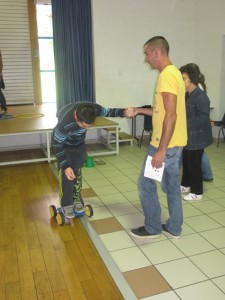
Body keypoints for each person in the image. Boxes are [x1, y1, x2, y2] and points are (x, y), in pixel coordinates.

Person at [126, 36, 187, 239]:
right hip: (175, 142)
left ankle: (153, 227)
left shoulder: (166, 76)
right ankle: (175, 227)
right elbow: (162, 111)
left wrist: (161, 149)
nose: (146, 59)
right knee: (171, 186)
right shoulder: (174, 73)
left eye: (146, 53)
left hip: (164, 144)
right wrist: (139, 110)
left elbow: (171, 115)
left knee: (146, 184)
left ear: (156, 52)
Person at [52, 102, 125, 218]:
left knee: (76, 172)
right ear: (76, 117)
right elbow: (56, 145)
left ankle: (76, 198)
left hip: (79, 145)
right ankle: (66, 204)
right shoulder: (64, 124)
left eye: (89, 126)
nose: (86, 128)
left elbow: (110, 111)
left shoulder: (94, 109)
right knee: (67, 174)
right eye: (84, 126)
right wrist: (65, 166)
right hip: (64, 146)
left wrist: (124, 112)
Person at [180, 63, 212, 201]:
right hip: (188, 136)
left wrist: (184, 123)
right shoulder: (188, 94)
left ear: (192, 79)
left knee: (194, 165)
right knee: (186, 162)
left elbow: (204, 117)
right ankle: (185, 185)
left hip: (197, 137)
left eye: (184, 78)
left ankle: (197, 192)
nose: (182, 81)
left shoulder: (200, 96)